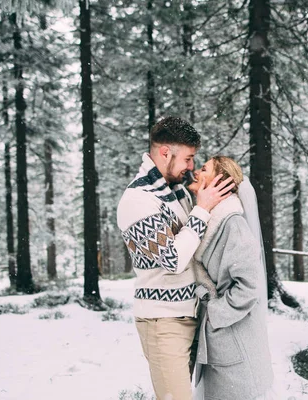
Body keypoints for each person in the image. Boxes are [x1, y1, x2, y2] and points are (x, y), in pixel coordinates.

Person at [116, 117, 234, 400]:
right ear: (165, 152)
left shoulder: (175, 189)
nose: (192, 167)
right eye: (189, 158)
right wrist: (202, 208)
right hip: (162, 321)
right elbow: (173, 259)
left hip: (189, 315)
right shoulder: (139, 199)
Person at [188, 156, 275, 400]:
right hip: (219, 339)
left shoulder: (232, 224)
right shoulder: (209, 220)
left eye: (203, 169)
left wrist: (215, 312)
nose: (195, 171)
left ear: (219, 181)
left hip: (232, 335)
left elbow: (249, 286)